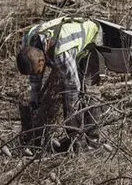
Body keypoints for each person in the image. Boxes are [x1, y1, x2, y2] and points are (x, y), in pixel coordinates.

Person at [16, 17, 103, 151]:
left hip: (92, 40)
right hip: (66, 42)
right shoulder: (28, 42)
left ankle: (91, 142)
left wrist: (72, 125)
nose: (36, 74)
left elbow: (73, 89)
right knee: (62, 82)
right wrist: (34, 100)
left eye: (37, 70)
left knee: (87, 89)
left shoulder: (61, 53)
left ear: (41, 61)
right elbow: (35, 78)